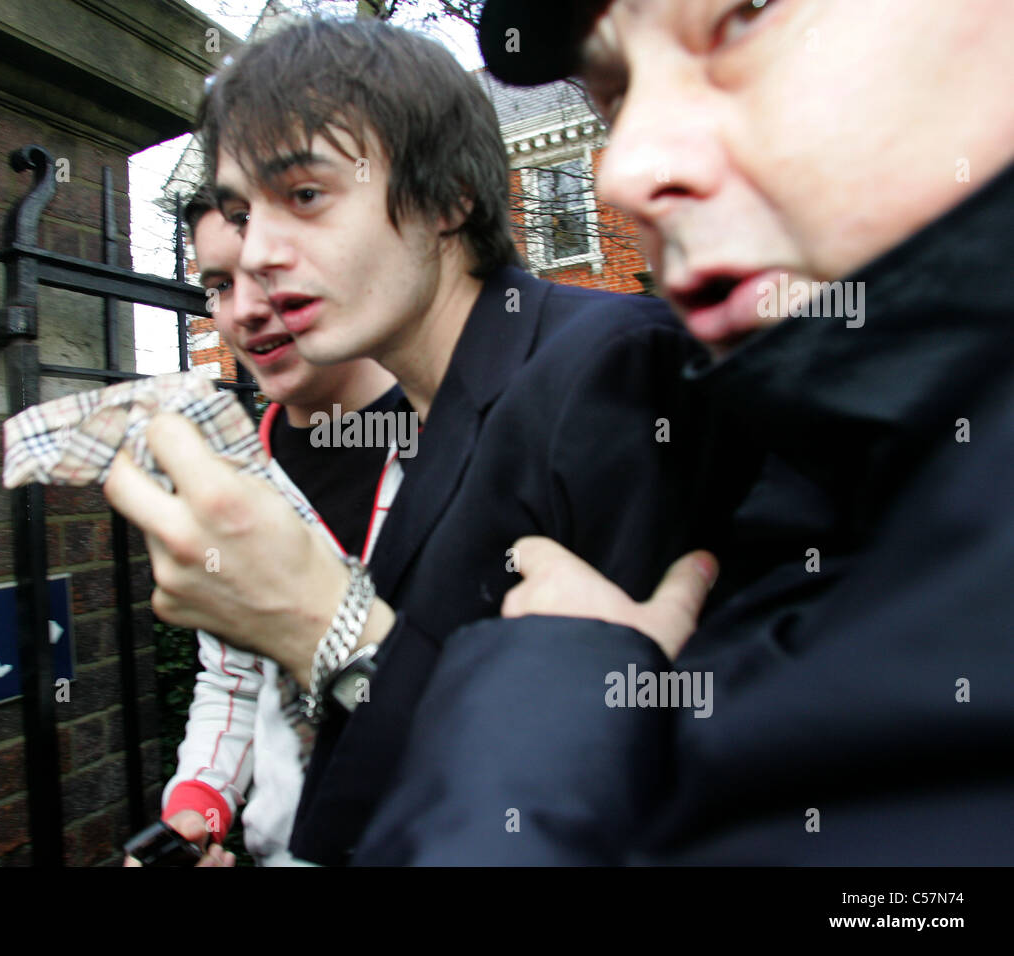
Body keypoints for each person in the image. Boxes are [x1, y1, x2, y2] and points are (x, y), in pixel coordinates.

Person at [349, 0, 1014, 864]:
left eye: (743, 17)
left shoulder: (616, 382)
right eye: (611, 96)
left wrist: (553, 694)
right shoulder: (819, 467)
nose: (621, 173)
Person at [104, 17, 720, 865]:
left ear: (448, 199)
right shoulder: (440, 414)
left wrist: (325, 631)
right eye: (247, 215)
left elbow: (649, 790)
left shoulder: (609, 372)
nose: (264, 254)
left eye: (307, 196)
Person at [135, 188, 398, 867]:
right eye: (218, 284)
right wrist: (196, 808)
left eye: (267, 271)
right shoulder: (231, 487)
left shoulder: (472, 441)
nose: (244, 309)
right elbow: (234, 679)